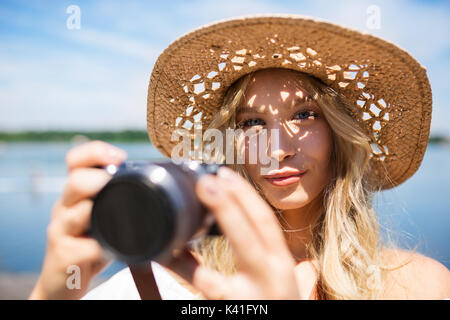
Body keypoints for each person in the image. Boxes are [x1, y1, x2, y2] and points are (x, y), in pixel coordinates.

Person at [29, 15, 449, 300]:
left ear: (340, 135)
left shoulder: (419, 285)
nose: (279, 147)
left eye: (305, 114)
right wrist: (50, 293)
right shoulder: (164, 285)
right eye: (252, 124)